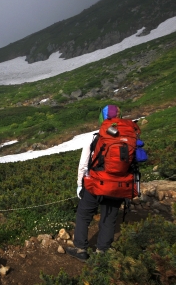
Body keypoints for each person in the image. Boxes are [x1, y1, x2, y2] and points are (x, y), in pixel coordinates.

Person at [65, 105, 124, 262]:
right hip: (118, 185)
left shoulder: (94, 138)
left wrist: (80, 185)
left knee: (84, 215)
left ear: (102, 118)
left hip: (95, 184)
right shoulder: (127, 138)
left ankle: (81, 249)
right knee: (109, 217)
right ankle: (102, 251)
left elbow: (83, 165)